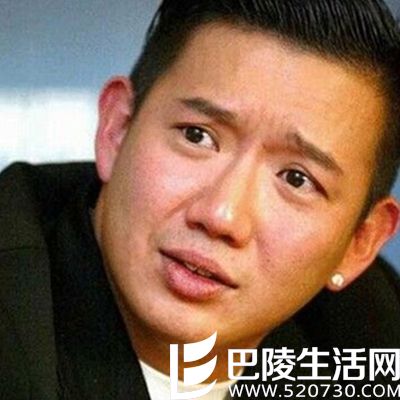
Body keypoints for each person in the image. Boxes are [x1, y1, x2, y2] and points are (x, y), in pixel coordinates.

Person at [1, 0, 400, 399]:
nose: (221, 216)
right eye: (197, 136)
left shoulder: (373, 336)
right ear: (117, 129)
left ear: (359, 243)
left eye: (297, 179)